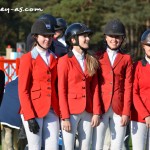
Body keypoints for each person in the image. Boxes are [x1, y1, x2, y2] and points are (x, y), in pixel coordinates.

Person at [57, 22, 101, 150]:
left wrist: (96, 112)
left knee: (86, 147)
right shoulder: (64, 61)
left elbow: (95, 88)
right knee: (68, 147)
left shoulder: (91, 60)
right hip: (70, 112)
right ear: (73, 39)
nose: (88, 38)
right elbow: (61, 90)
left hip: (88, 110)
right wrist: (64, 117)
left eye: (88, 36)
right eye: (84, 36)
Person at [18, 18, 60, 150]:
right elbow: (23, 90)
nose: (47, 39)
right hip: (33, 110)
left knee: (53, 147)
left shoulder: (55, 58)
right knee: (34, 147)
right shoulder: (27, 59)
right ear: (35, 36)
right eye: (44, 36)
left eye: (50, 36)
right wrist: (29, 117)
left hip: (52, 109)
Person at [92, 19, 133, 150]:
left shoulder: (126, 58)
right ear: (105, 37)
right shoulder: (98, 57)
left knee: (118, 145)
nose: (114, 40)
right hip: (101, 108)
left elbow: (128, 86)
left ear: (122, 39)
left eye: (118, 37)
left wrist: (126, 112)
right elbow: (95, 86)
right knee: (98, 145)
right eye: (111, 36)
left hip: (119, 108)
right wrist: (96, 110)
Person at [130, 29, 150, 150]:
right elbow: (134, 93)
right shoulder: (136, 66)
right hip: (139, 117)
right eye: (148, 45)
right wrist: (146, 115)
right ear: (143, 46)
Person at [0, 77, 27, 150]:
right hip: (16, 112)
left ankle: (9, 148)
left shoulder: (9, 84)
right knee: (23, 135)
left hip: (5, 112)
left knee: (8, 131)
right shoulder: (26, 83)